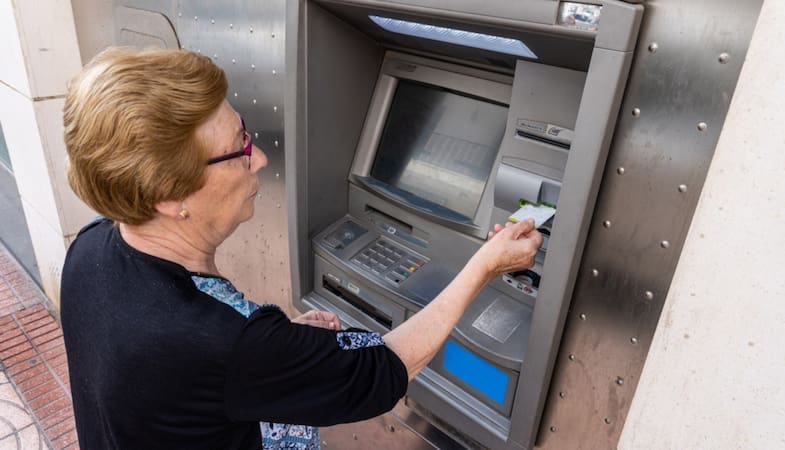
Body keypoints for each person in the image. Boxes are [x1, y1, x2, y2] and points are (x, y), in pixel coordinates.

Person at [60, 47, 542, 450]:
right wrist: (483, 266)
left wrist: (279, 353)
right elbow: (380, 374)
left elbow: (179, 381)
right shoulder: (228, 345)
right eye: (239, 147)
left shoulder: (91, 249)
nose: (261, 158)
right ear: (169, 194)